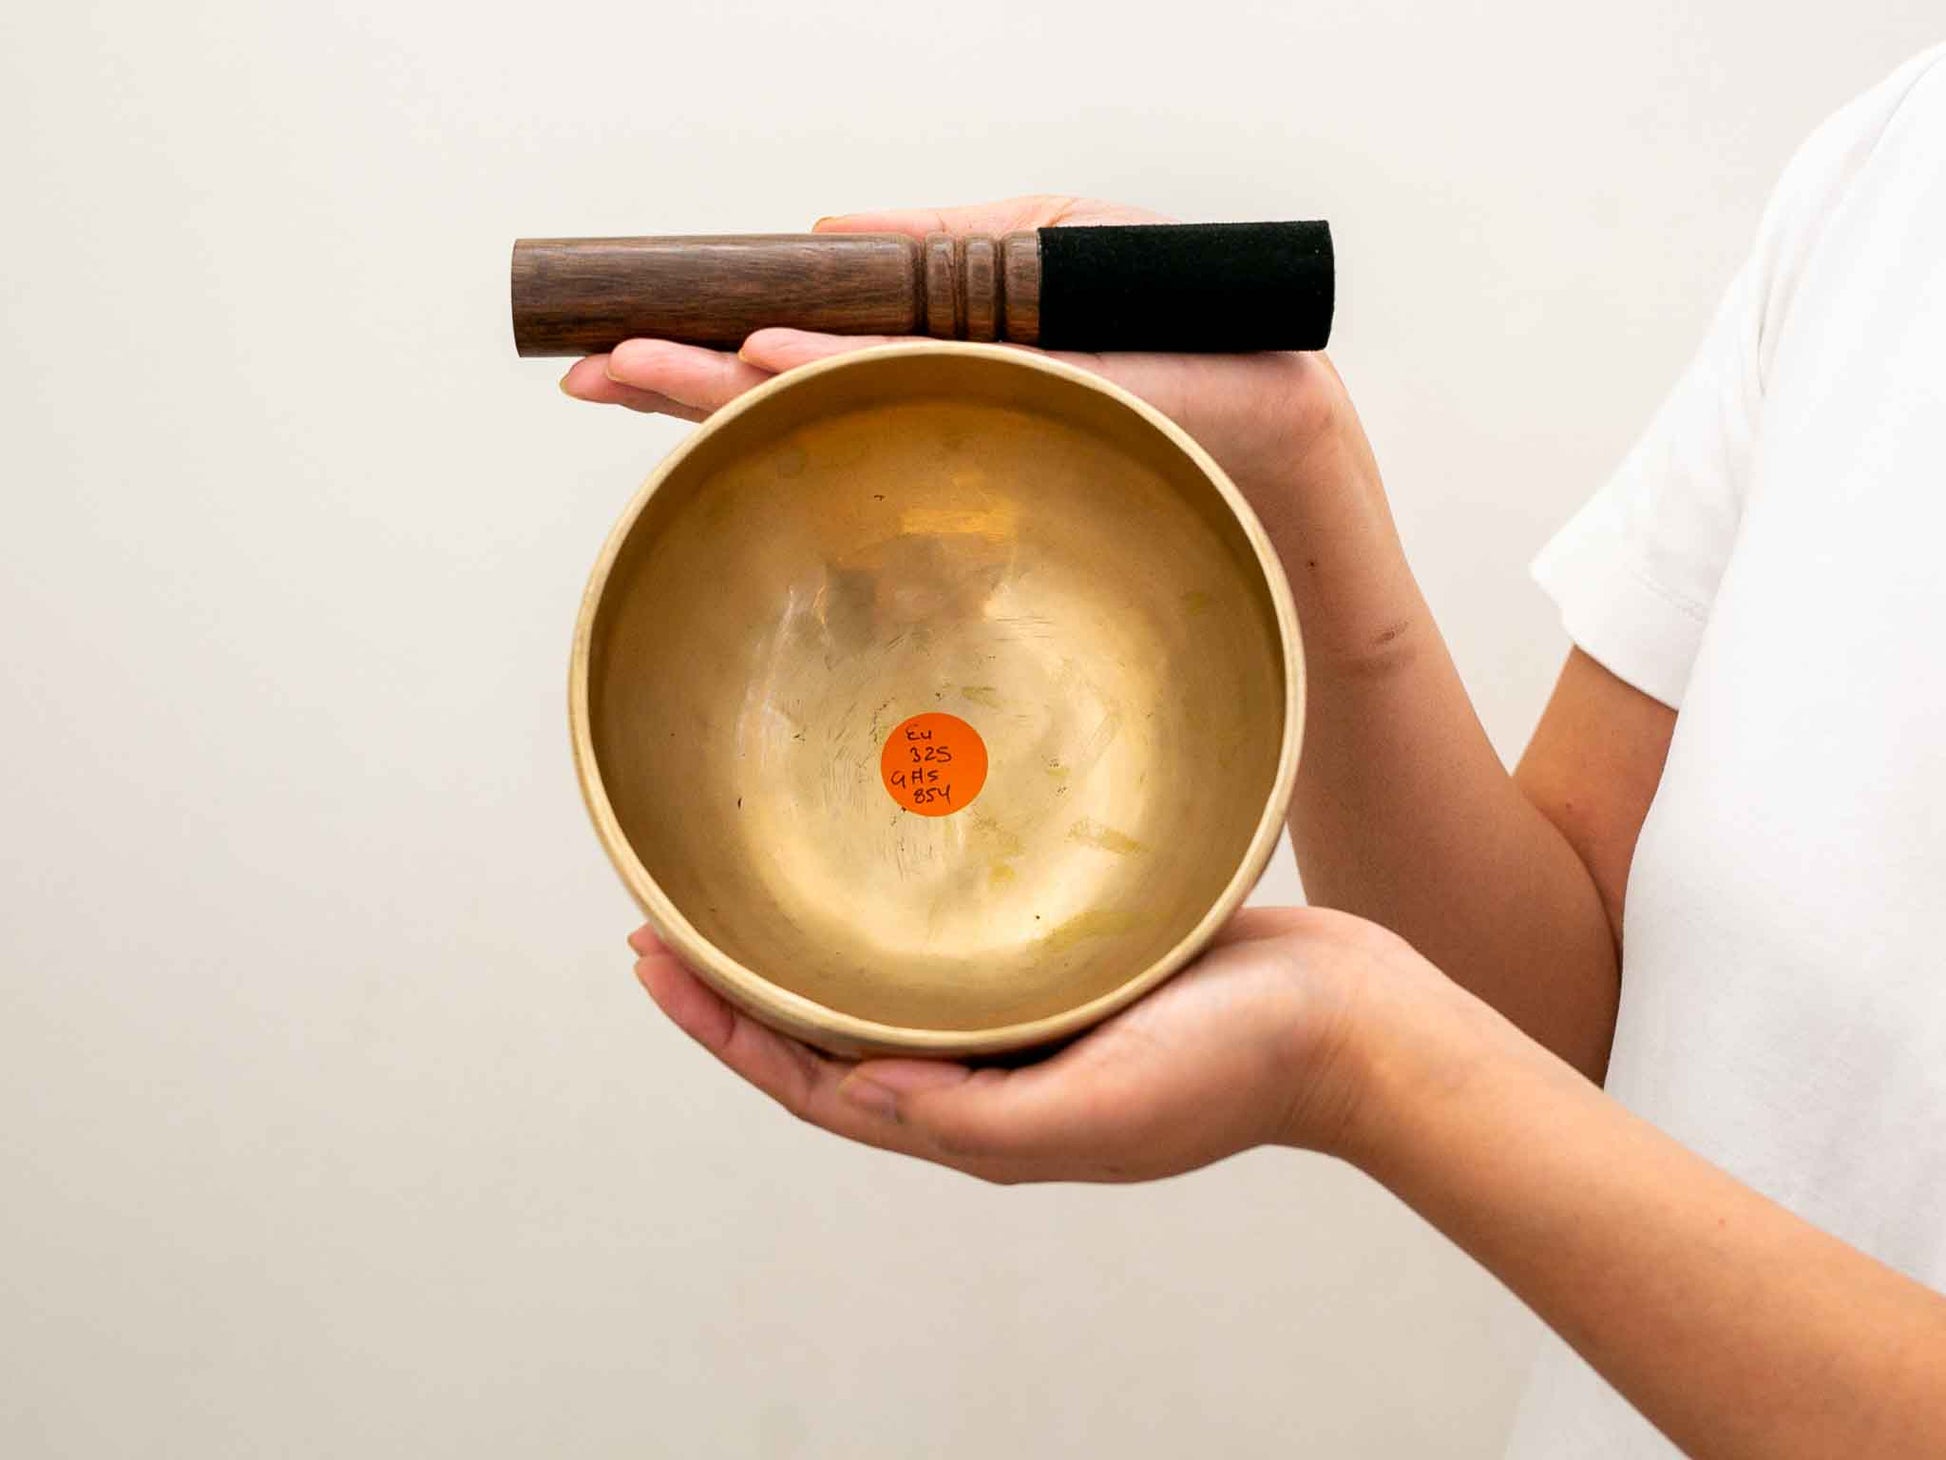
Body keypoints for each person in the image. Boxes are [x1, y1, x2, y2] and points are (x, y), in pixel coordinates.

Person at [559, 43, 1946, 1458]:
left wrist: (1355, 1055)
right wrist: (1290, 461)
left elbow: (1442, 1056)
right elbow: (1564, 1033)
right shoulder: (1892, 164)